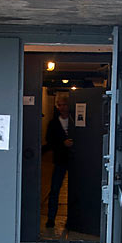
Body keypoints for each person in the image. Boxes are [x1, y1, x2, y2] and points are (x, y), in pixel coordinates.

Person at [45, 94, 74, 228]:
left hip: (75, 160)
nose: (62, 108)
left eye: (65, 105)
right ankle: (51, 218)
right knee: (55, 189)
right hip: (60, 160)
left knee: (75, 190)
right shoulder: (53, 124)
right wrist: (63, 143)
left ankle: (73, 219)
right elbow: (50, 141)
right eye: (60, 105)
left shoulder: (75, 121)